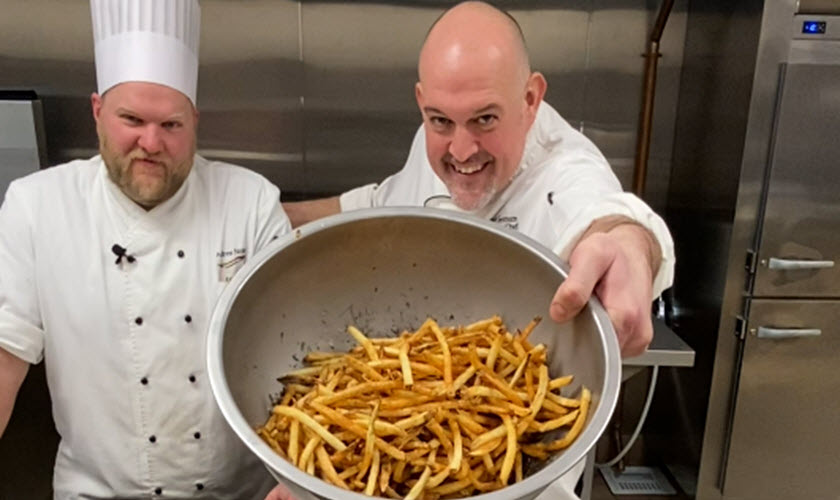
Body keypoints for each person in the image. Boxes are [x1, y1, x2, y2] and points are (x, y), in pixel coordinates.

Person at [275, 3, 674, 498]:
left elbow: (612, 220)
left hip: (514, 483)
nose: (461, 151)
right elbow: (379, 203)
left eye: (485, 119)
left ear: (530, 99)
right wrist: (264, 213)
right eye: (440, 120)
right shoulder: (432, 138)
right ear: (422, 103)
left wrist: (631, 245)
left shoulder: (563, 170)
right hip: (395, 477)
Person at [0, 0, 290, 498]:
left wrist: (294, 479)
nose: (150, 143)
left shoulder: (251, 201)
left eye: (171, 125)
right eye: (131, 119)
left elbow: (295, 357)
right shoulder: (37, 207)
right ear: (97, 111)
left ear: (195, 120)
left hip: (245, 494)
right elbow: (4, 354)